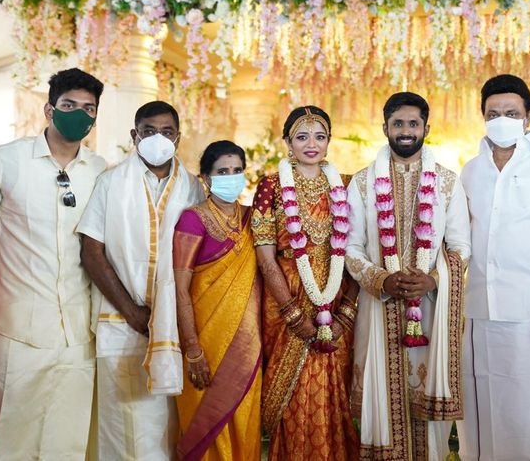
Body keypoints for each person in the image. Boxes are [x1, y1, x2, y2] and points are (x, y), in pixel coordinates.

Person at [0, 68, 106, 459]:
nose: (79, 114)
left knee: (67, 438)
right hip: (17, 326)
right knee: (8, 436)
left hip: (78, 330)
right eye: (69, 105)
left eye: (88, 108)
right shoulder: (5, 160)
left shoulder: (100, 171)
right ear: (49, 109)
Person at [346, 92, 471, 460]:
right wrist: (380, 280)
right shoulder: (362, 183)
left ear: (426, 128)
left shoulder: (447, 182)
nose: (405, 130)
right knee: (381, 405)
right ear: (384, 127)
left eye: (413, 123)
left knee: (427, 422)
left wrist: (433, 279)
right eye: (397, 123)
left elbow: (461, 247)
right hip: (377, 311)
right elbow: (351, 247)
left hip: (431, 310)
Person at [458, 75, 530, 461]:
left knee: (528, 414)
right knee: (480, 413)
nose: (502, 120)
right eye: (493, 113)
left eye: (511, 113)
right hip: (478, 313)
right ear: (483, 117)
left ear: (528, 116)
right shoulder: (470, 171)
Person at [78, 101, 204, 460]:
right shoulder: (110, 182)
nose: (158, 138)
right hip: (119, 325)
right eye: (149, 131)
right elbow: (91, 252)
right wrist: (133, 312)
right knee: (119, 428)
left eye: (166, 131)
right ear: (135, 135)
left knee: (166, 429)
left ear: (178, 137)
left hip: (172, 328)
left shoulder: (193, 188)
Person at [252, 106, 360, 460]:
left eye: (319, 136)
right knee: (293, 395)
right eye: (302, 137)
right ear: (287, 142)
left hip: (336, 296)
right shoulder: (270, 186)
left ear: (329, 141)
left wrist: (347, 311)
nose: (311, 144)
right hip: (286, 298)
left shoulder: (347, 185)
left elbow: (359, 251)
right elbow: (265, 257)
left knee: (333, 390)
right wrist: (292, 312)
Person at [173, 140, 262, 460]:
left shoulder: (254, 219)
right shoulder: (192, 220)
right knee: (205, 427)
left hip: (248, 348)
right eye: (222, 172)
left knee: (244, 425)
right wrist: (192, 349)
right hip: (205, 347)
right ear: (206, 178)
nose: (231, 177)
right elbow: (179, 288)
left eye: (237, 170)